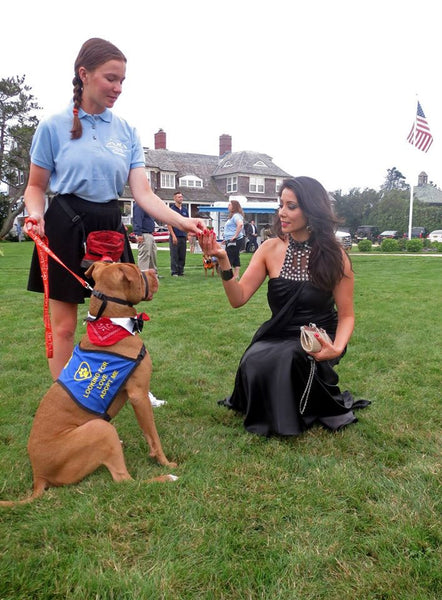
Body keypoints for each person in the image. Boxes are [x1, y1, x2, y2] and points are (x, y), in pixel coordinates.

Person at [24, 38, 203, 381]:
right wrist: (36, 215)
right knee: (64, 328)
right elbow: (35, 186)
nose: (118, 88)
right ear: (84, 74)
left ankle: (122, 389)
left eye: (122, 81)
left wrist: (183, 221)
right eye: (111, 78)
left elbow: (144, 194)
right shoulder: (51, 127)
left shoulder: (126, 131)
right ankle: (69, 406)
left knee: (120, 319)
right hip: (65, 223)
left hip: (108, 225)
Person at [198, 176, 369, 437]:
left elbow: (346, 316)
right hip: (278, 332)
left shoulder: (335, 256)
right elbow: (238, 298)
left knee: (286, 359)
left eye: (291, 206)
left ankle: (284, 418)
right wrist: (223, 261)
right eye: (281, 205)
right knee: (254, 358)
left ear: (311, 210)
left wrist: (336, 347)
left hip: (317, 337)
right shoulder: (269, 248)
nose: (282, 213)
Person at [132, 202, 158, 275]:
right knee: (144, 255)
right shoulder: (139, 205)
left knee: (152, 255)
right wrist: (138, 233)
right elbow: (137, 219)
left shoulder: (146, 205)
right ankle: (142, 274)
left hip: (150, 233)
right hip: (144, 233)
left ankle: (153, 274)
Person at [167, 191, 188, 276]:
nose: (181, 198)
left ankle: (181, 271)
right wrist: (173, 235)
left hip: (183, 235)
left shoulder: (185, 210)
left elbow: (186, 223)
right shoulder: (171, 210)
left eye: (181, 197)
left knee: (182, 255)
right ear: (175, 198)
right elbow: (169, 223)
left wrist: (187, 234)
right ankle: (174, 272)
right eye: (179, 197)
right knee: (174, 255)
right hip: (175, 235)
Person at [223, 199, 245, 279]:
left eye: (229, 205)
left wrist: (234, 236)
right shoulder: (233, 216)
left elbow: (240, 224)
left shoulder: (236, 216)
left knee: (229, 257)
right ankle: (236, 275)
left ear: (234, 207)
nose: (228, 206)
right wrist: (226, 239)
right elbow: (231, 229)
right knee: (235, 257)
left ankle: (228, 275)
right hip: (231, 240)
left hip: (235, 240)